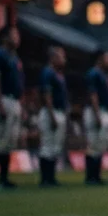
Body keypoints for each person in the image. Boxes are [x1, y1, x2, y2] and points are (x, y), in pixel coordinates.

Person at [0, 26, 24, 189]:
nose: (17, 38)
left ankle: (4, 177)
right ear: (5, 38)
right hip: (3, 100)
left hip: (14, 101)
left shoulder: (15, 58)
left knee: (9, 141)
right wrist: (0, 103)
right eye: (14, 35)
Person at [37, 46, 69, 187]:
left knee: (55, 146)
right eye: (61, 56)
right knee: (47, 145)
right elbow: (46, 95)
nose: (64, 60)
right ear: (53, 57)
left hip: (59, 112)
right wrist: (51, 115)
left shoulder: (58, 74)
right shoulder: (48, 72)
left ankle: (51, 177)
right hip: (51, 112)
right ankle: (45, 178)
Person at [83, 50, 108, 185]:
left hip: (104, 110)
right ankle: (90, 176)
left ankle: (97, 175)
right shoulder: (94, 73)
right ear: (100, 58)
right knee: (93, 144)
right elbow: (93, 94)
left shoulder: (105, 75)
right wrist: (96, 115)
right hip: (95, 111)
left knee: (101, 144)